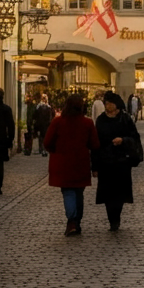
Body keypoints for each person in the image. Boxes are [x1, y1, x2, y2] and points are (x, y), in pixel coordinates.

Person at [45, 94, 100, 236]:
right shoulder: (87, 123)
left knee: (68, 192)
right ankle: (76, 221)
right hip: (80, 163)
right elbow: (94, 144)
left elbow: (47, 142)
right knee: (78, 192)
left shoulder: (58, 122)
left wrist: (56, 151)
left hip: (62, 163)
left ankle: (72, 221)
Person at [93, 91, 139, 231]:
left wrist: (123, 140)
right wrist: (94, 166)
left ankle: (116, 217)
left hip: (121, 161)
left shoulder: (125, 119)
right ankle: (111, 219)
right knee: (108, 193)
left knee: (120, 193)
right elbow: (95, 143)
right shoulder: (101, 120)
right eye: (106, 103)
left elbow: (134, 138)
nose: (108, 106)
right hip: (105, 161)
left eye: (110, 103)